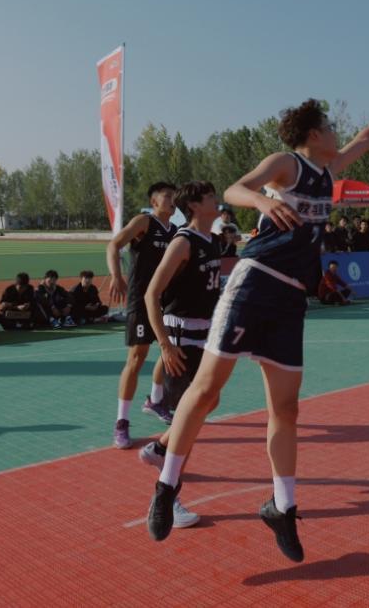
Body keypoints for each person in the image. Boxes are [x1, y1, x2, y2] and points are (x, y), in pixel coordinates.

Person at [146, 84, 369, 562]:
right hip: (255, 282)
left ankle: (282, 507)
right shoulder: (287, 163)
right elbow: (235, 189)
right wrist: (264, 202)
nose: (337, 132)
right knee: (205, 391)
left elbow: (366, 140)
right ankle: (167, 487)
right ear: (313, 134)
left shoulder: (329, 169)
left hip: (291, 298)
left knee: (286, 410)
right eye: (329, 126)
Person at [137, 180, 226, 531]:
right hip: (181, 339)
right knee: (190, 419)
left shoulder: (213, 240)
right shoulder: (183, 242)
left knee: (209, 403)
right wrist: (164, 345)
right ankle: (167, 499)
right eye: (211, 197)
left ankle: (160, 448)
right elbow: (151, 294)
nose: (217, 200)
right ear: (195, 206)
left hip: (205, 337)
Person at [106, 182, 180, 446]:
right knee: (137, 357)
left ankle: (156, 400)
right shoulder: (144, 222)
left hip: (166, 300)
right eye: (167, 196)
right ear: (154, 202)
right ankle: (121, 422)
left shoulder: (176, 232)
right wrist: (116, 275)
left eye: (174, 196)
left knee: (170, 349)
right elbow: (114, 245)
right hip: (141, 298)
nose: (172, 200)